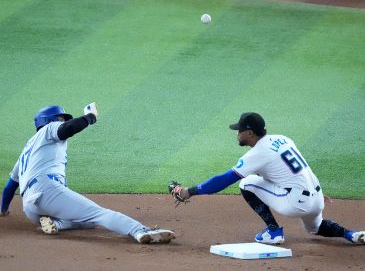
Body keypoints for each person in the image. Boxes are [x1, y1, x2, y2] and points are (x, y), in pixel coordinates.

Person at [170, 112, 364, 245]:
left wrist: (189, 192)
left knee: (246, 183)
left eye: (239, 131)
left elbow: (222, 181)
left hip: (295, 202)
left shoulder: (257, 154)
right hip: (316, 198)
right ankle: (351, 234)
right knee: (316, 228)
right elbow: (298, 170)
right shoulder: (283, 139)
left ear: (250, 133)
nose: (237, 134)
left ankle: (273, 231)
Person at [1, 103, 175, 244]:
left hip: (31, 208)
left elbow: (11, 186)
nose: (62, 121)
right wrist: (89, 117)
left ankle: (57, 224)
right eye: (59, 118)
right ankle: (139, 230)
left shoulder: (27, 150)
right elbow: (67, 129)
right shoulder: (48, 130)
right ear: (48, 121)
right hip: (47, 190)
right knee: (98, 213)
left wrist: (3, 209)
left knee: (89, 222)